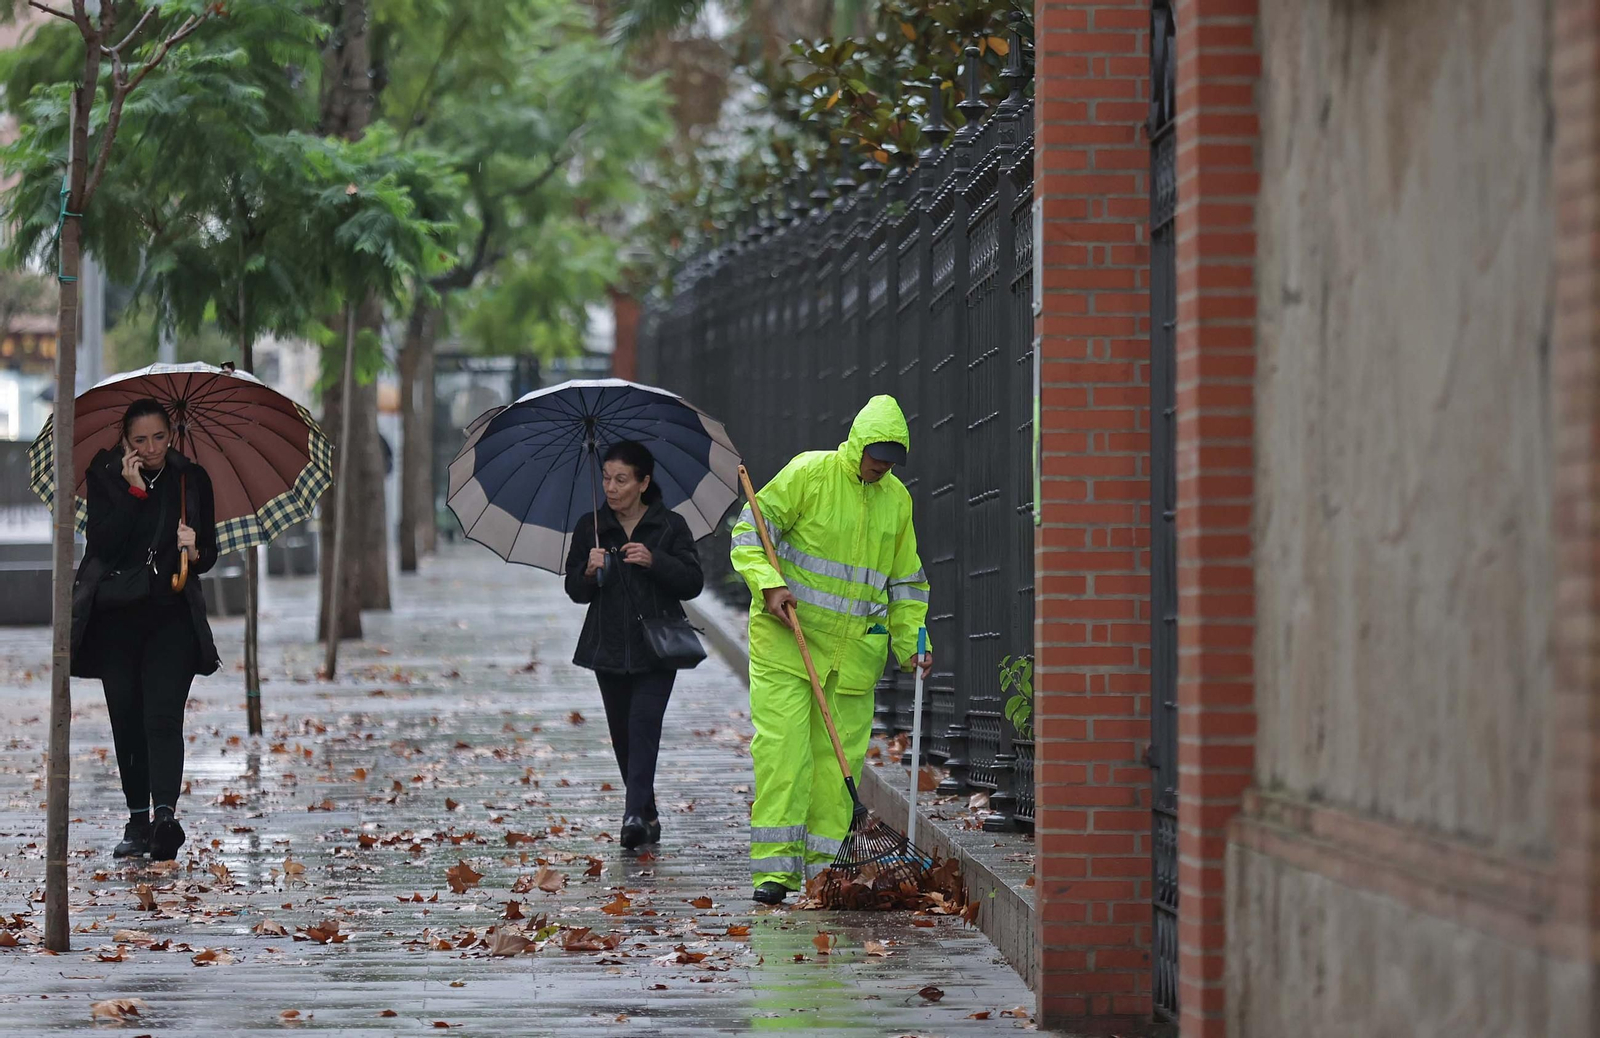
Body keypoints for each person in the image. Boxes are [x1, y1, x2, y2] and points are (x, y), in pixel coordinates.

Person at [730, 394, 933, 905]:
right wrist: (769, 585)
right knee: (784, 756)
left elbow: (906, 583)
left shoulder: (897, 502)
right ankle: (773, 874)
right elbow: (749, 533)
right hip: (788, 645)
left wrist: (914, 645)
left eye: (891, 460)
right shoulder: (810, 474)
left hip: (854, 662)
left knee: (832, 768)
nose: (882, 466)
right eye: (876, 455)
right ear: (859, 443)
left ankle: (823, 873)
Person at [70, 398, 220, 861]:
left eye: (159, 437)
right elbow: (103, 545)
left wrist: (195, 549)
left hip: (170, 617)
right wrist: (134, 492)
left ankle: (163, 819)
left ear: (171, 435)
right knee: (127, 720)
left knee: (161, 716)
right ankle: (136, 820)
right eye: (140, 440)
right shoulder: (104, 475)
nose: (152, 448)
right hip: (116, 618)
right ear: (125, 440)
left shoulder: (190, 479)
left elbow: (209, 555)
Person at [563, 440, 704, 850]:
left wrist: (654, 559)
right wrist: (587, 572)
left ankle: (631, 815)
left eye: (621, 479)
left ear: (643, 482)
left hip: (658, 648)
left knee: (644, 725)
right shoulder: (591, 527)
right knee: (623, 735)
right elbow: (575, 591)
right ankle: (648, 811)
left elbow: (693, 582)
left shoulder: (670, 526)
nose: (611, 487)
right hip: (608, 648)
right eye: (606, 478)